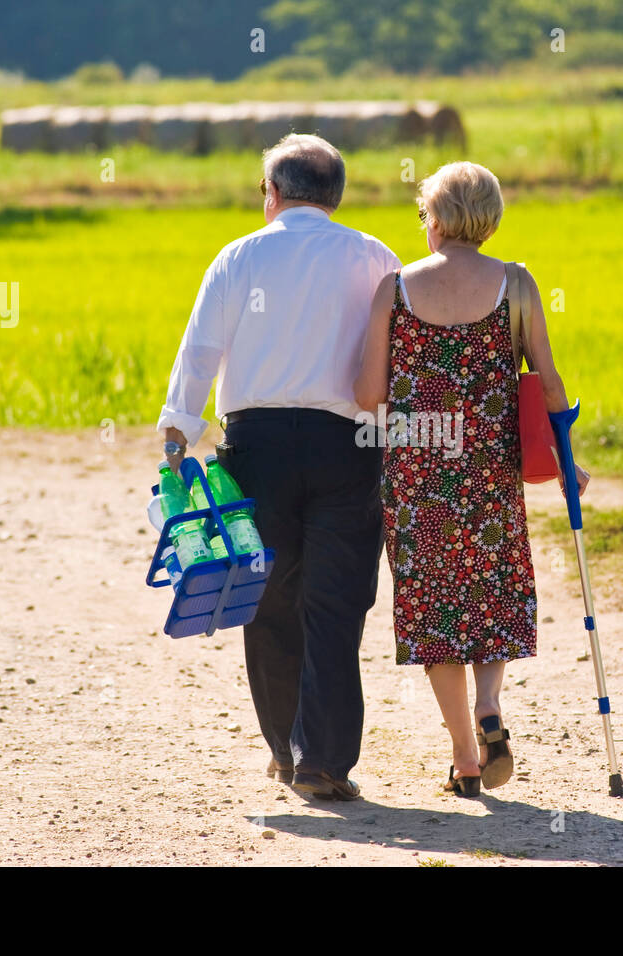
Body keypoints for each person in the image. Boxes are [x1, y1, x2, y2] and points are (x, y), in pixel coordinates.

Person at [159, 134, 400, 801]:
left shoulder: (237, 257)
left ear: (271, 193)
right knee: (338, 599)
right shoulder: (375, 256)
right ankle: (322, 757)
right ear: (335, 196)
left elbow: (200, 352)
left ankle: (285, 749)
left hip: (257, 447)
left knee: (268, 598)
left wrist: (178, 436)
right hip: (349, 447)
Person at [355, 161, 588, 796]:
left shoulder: (395, 288)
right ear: (489, 217)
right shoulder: (518, 284)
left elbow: (369, 395)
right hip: (490, 473)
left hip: (417, 474)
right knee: (491, 595)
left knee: (435, 608)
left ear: (433, 220)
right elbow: (549, 383)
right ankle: (490, 707)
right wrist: (568, 462)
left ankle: (463, 754)